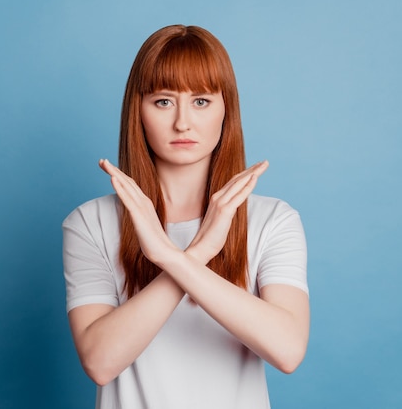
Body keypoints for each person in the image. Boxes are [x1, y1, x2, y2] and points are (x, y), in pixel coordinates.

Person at [62, 24, 309, 409]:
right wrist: (191, 256)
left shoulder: (272, 219)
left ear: (226, 109)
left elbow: (288, 350)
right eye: (163, 101)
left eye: (201, 101)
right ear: (137, 111)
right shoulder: (90, 223)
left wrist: (175, 258)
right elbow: (100, 361)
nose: (182, 122)